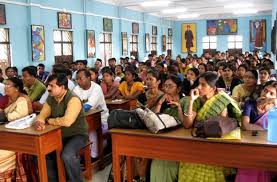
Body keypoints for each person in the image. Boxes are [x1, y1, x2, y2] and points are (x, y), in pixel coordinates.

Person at [180, 72, 241, 182]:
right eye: (199, 84)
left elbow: (220, 126)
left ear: (213, 88)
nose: (198, 87)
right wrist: (191, 101)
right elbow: (187, 125)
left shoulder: (222, 101)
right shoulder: (197, 100)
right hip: (196, 143)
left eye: (203, 85)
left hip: (214, 145)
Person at [35, 73, 88, 182]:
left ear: (62, 87)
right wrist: (40, 120)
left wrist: (49, 120)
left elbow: (67, 121)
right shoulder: (51, 98)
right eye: (48, 85)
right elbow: (43, 113)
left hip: (77, 135)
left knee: (67, 155)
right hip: (58, 135)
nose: (48, 89)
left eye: (52, 86)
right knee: (40, 153)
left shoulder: (73, 99)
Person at [150, 75, 190, 182]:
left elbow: (186, 124)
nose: (166, 89)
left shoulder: (185, 100)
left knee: (164, 163)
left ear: (178, 88)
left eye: (170, 86)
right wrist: (159, 103)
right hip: (164, 139)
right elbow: (154, 121)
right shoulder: (163, 100)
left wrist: (179, 108)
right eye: (165, 86)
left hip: (181, 140)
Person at [0, 77, 33, 181]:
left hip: (18, 137)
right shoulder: (7, 98)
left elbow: (14, 117)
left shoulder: (22, 100)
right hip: (6, 133)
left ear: (17, 88)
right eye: (5, 84)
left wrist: (2, 114)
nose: (6, 87)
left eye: (9, 85)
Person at [73, 69, 109, 158]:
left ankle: (94, 156)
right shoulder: (76, 89)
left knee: (91, 132)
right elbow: (72, 103)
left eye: (80, 79)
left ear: (89, 78)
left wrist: (73, 110)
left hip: (101, 119)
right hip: (83, 118)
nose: (78, 81)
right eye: (77, 79)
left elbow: (88, 106)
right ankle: (82, 155)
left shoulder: (96, 88)